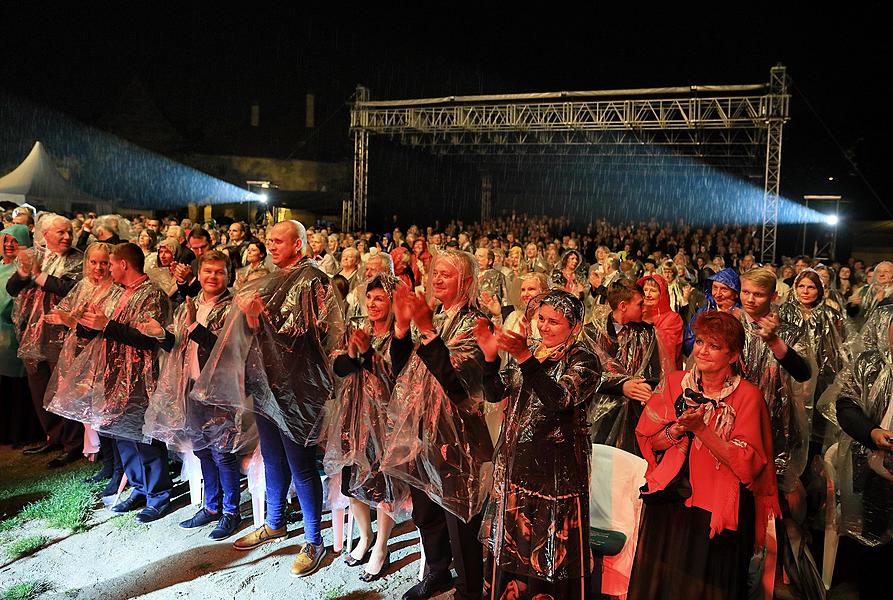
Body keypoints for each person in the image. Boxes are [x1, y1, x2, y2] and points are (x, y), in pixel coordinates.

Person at [193, 220, 343, 577]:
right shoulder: (267, 279)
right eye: (269, 241)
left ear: (299, 245)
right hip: (266, 384)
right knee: (273, 458)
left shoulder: (313, 281)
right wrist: (250, 322)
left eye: (279, 241)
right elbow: (250, 333)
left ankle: (313, 540)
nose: (272, 246)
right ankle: (275, 522)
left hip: (299, 390)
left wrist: (264, 321)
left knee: (301, 465)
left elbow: (320, 334)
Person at [630, 311, 779, 600]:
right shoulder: (674, 383)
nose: (702, 350)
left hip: (715, 511)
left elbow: (747, 465)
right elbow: (651, 442)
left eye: (713, 345)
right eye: (699, 342)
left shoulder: (748, 397)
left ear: (733, 355)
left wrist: (702, 429)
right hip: (671, 500)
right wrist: (676, 432)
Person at [382, 250, 497, 600]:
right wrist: (402, 329)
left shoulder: (477, 324)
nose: (437, 280)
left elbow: (458, 383)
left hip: (458, 437)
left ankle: (468, 589)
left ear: (466, 280)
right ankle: (438, 573)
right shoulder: (435, 317)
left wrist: (427, 330)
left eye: (446, 274)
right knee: (426, 511)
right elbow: (404, 371)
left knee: (459, 519)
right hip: (423, 430)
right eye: (435, 273)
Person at [475, 290, 601, 599]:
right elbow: (494, 392)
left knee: (549, 564)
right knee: (511, 559)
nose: (543, 327)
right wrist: (490, 358)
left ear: (575, 326)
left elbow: (559, 399)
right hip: (517, 471)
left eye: (554, 322)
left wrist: (523, 357)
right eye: (541, 319)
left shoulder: (584, 360)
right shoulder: (534, 351)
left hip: (556, 481)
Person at [48, 243, 173, 523]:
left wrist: (106, 325)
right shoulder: (118, 294)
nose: (108, 269)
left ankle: (159, 494)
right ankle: (139, 487)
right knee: (121, 433)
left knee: (144, 436)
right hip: (113, 374)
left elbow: (148, 339)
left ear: (124, 265)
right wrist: (83, 321)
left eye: (112, 264)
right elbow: (100, 328)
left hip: (141, 377)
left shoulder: (152, 294)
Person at [143, 250, 251, 540]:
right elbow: (179, 345)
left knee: (222, 452)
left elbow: (228, 349)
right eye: (207, 271)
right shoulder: (190, 304)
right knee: (201, 449)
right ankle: (212, 506)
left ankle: (231, 511)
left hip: (219, 391)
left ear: (229, 275)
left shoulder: (233, 307)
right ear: (198, 273)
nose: (212, 277)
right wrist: (162, 336)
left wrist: (193, 326)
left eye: (219, 272)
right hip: (189, 387)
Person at [324, 274, 410, 582]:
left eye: (380, 298)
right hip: (352, 416)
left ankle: (382, 547)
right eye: (370, 297)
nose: (373, 304)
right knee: (352, 482)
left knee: (383, 483)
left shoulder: (401, 336)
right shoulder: (356, 326)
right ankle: (365, 535)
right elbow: (338, 368)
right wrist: (352, 354)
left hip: (386, 421)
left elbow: (396, 378)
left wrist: (368, 354)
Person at [821, 305, 893, 597]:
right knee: (877, 551)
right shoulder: (870, 364)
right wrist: (872, 433)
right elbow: (846, 405)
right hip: (876, 472)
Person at [6, 214, 85, 465]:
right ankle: (54, 437)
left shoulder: (77, 259)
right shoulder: (36, 256)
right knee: (40, 389)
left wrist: (38, 275)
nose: (67, 237)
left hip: (60, 335)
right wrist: (22, 272)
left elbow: (70, 289)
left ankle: (73, 444)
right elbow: (12, 289)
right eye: (61, 232)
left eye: (69, 232)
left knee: (63, 390)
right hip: (33, 334)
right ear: (45, 235)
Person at [44, 242, 122, 476]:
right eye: (93, 262)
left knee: (105, 412)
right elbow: (66, 309)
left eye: (104, 263)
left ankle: (114, 467)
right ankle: (105, 462)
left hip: (105, 357)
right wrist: (65, 317)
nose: (98, 267)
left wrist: (70, 320)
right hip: (79, 355)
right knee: (90, 413)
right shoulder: (84, 285)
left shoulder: (116, 290)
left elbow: (101, 326)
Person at [583, 279, 661, 455]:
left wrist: (645, 387)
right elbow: (587, 375)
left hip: (635, 414)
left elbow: (653, 372)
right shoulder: (592, 332)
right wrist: (621, 386)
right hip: (601, 415)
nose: (645, 308)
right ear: (623, 306)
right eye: (640, 304)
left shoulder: (646, 332)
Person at [778, 269, 848, 458]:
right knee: (790, 423)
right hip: (789, 376)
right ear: (795, 288)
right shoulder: (783, 312)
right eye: (801, 286)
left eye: (811, 287)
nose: (805, 291)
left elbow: (838, 350)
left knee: (816, 425)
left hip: (822, 380)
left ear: (820, 290)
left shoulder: (830, 315)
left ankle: (812, 466)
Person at [0, 224, 42, 445]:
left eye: (13, 241)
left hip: (15, 335)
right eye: (4, 240)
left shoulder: (24, 270)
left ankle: (20, 433)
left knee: (17, 387)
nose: (8, 245)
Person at [682, 267, 741, 356]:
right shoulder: (704, 311)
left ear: (736, 293)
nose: (717, 294)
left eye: (724, 289)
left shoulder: (742, 315)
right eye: (714, 288)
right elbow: (688, 341)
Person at [638, 273, 684, 374]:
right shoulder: (637, 314)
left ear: (662, 294)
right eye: (645, 290)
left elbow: (668, 352)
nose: (648, 294)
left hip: (663, 373)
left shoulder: (673, 318)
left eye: (653, 291)